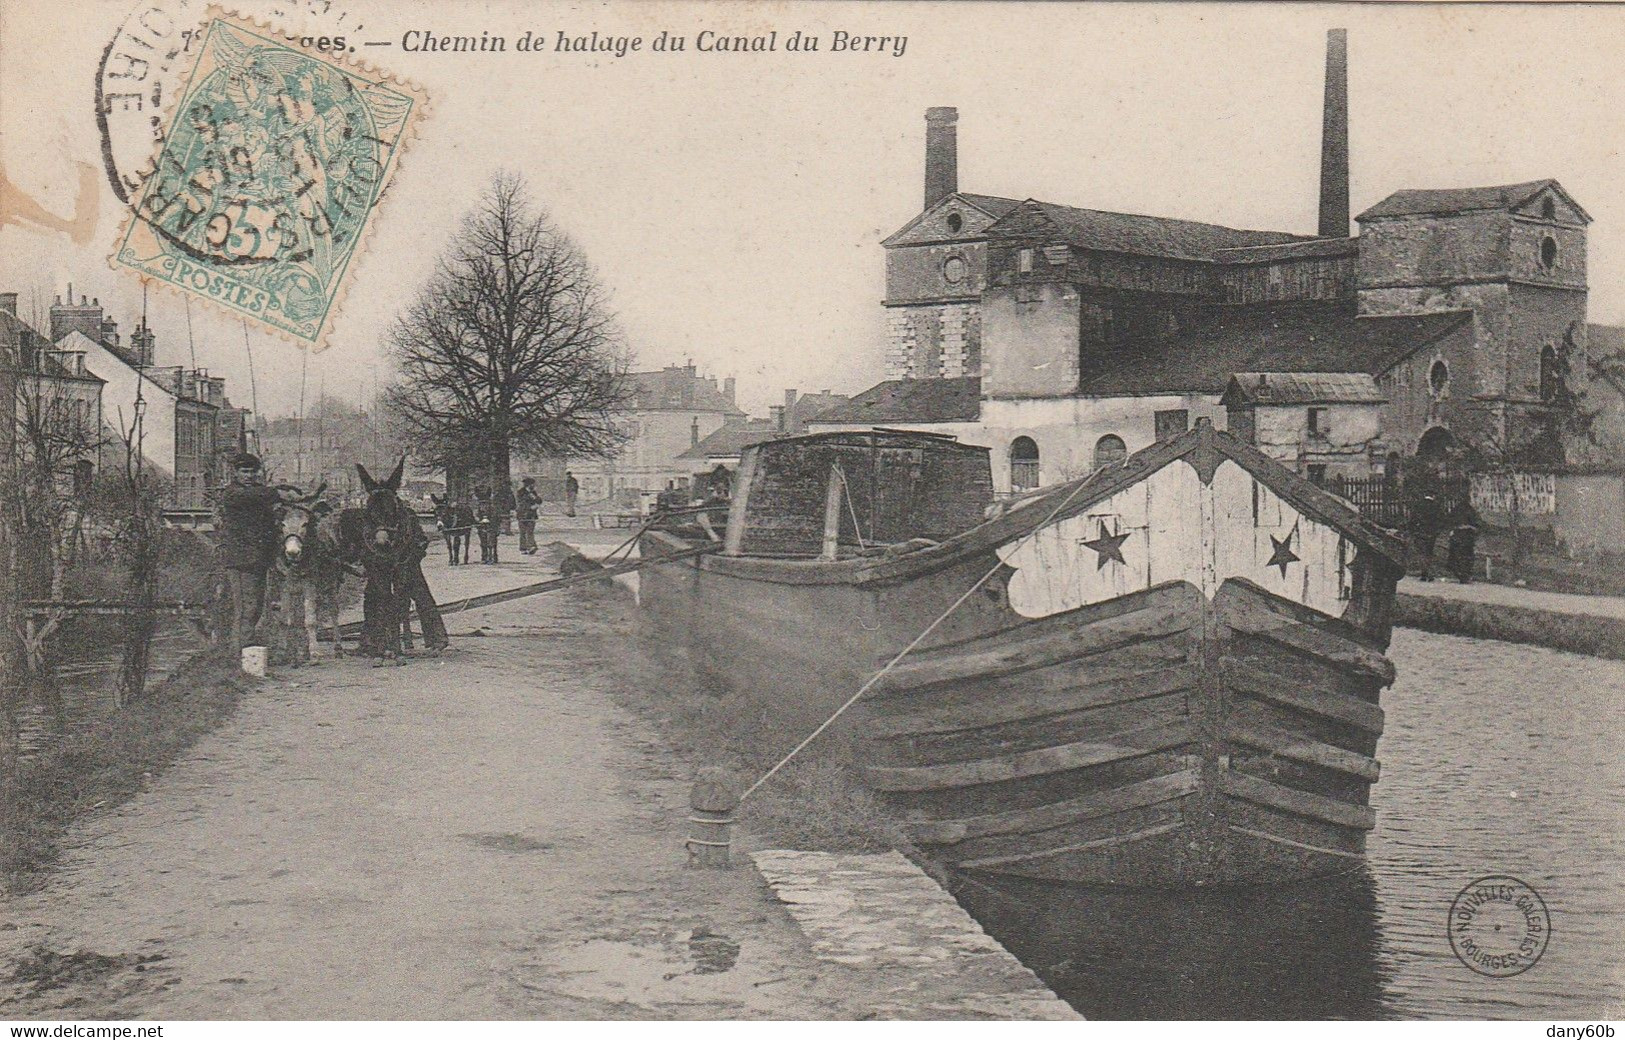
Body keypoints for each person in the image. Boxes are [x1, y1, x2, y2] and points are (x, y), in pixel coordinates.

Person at [218, 452, 282, 651]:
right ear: (236, 473)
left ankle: (246, 651)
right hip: (241, 560)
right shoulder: (232, 493)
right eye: (244, 471)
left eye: (252, 472)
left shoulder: (259, 492)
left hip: (259, 559)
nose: (248, 475)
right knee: (246, 608)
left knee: (256, 607)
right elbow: (257, 495)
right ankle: (238, 654)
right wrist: (277, 493)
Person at [1446, 502, 1482, 584]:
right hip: (1467, 538)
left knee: (1457, 556)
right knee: (1466, 556)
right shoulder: (1471, 511)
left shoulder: (1455, 510)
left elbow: (1450, 522)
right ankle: (1464, 575)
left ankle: (1461, 574)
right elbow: (1477, 525)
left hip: (1457, 537)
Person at [516, 477, 540, 554]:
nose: (533, 486)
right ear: (528, 485)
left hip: (531, 514)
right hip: (522, 514)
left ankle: (531, 546)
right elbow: (521, 503)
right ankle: (523, 548)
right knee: (523, 532)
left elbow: (539, 501)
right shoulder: (521, 492)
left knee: (530, 531)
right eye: (532, 484)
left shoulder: (533, 492)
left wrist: (535, 500)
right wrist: (530, 506)